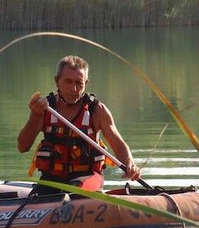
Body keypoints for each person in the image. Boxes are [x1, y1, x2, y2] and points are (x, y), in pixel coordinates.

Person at [17, 54, 141, 193]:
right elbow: (22, 147)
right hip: (52, 178)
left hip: (87, 176)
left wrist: (130, 164)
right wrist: (35, 116)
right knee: (38, 200)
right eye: (68, 82)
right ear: (57, 81)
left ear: (86, 83)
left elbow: (119, 145)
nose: (74, 89)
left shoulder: (97, 111)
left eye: (79, 83)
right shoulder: (44, 109)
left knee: (74, 194)